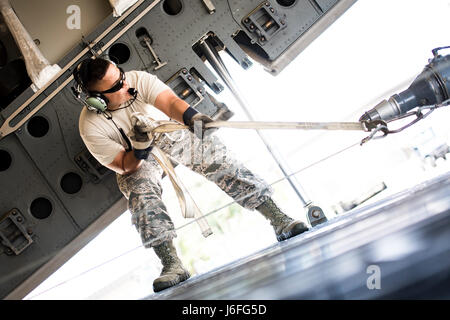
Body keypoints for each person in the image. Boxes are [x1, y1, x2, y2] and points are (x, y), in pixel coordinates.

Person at [73, 57, 309, 292]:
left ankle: (279, 219)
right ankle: (171, 264)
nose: (126, 85)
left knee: (216, 158)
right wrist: (140, 149)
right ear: (98, 99)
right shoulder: (90, 126)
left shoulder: (137, 80)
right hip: (135, 155)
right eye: (116, 86)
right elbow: (124, 165)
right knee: (139, 192)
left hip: (166, 131)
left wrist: (193, 119)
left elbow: (170, 103)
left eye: (121, 76)